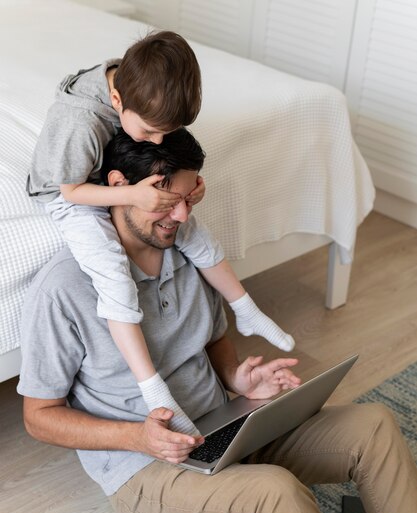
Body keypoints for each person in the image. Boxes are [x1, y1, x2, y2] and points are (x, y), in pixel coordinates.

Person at [19, 128, 417, 513]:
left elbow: (211, 339)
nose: (183, 216)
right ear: (121, 186)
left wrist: (240, 381)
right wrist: (138, 439)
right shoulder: (65, 287)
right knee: (276, 493)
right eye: (168, 203)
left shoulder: (189, 252)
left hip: (226, 429)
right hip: (147, 472)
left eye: (189, 200)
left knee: (375, 425)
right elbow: (39, 417)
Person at [26, 29, 294, 439]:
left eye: (165, 133)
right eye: (151, 132)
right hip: (69, 192)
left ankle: (246, 309)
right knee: (112, 273)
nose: (158, 140)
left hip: (111, 179)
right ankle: (154, 390)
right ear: (117, 102)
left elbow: (156, 147)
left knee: (193, 233)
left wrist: (184, 191)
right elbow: (70, 190)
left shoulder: (139, 84)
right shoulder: (78, 121)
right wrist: (135, 193)